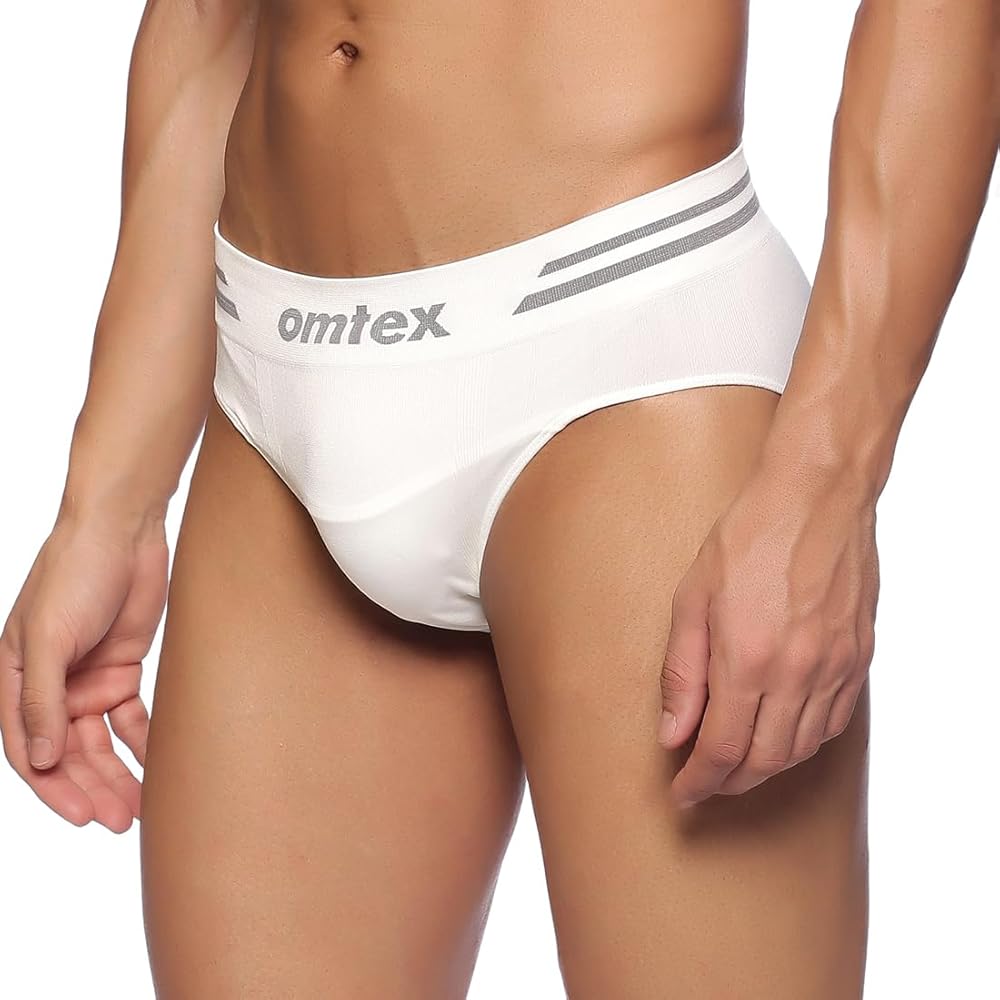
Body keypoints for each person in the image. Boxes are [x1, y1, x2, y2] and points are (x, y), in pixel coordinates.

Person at [1, 0, 997, 996]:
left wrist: (824, 486)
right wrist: (109, 501)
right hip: (275, 380)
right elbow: (204, 18)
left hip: (624, 344)